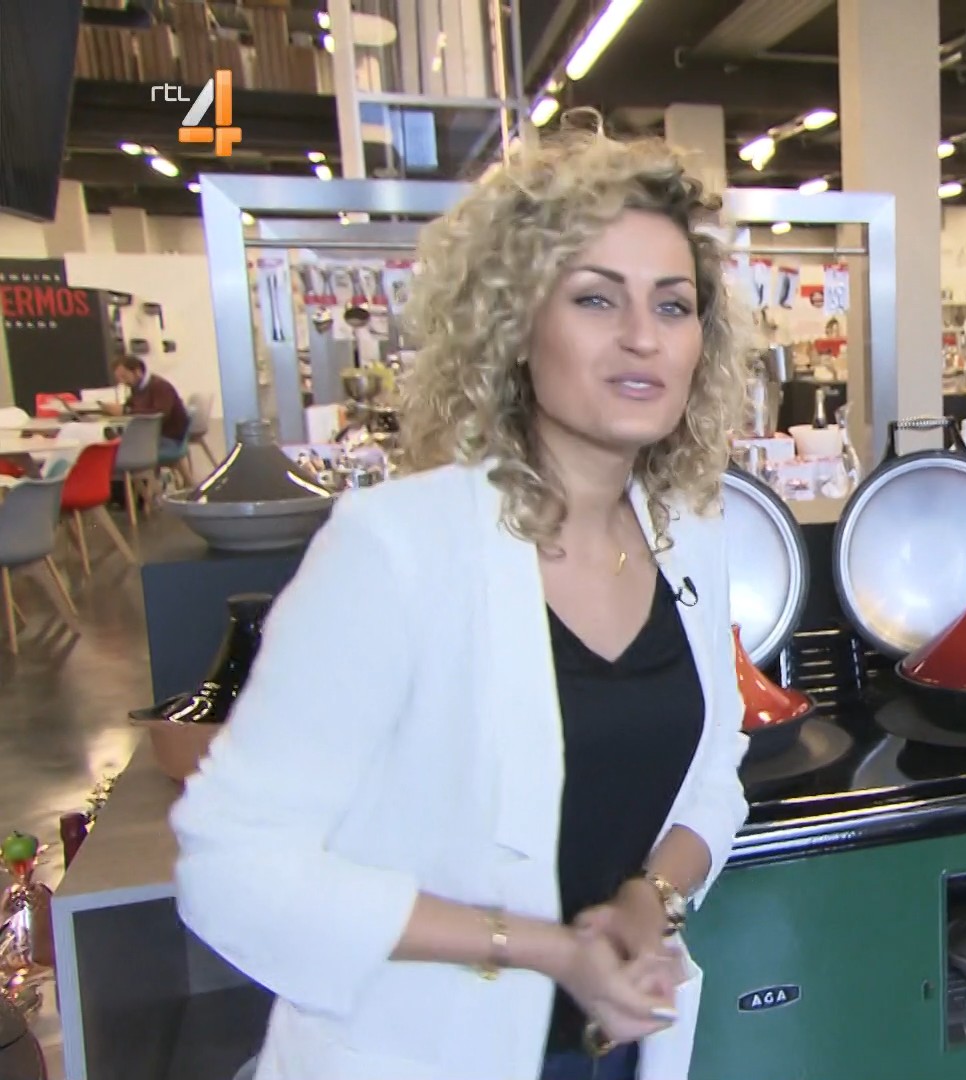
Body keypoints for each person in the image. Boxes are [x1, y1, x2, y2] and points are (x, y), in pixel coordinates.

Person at [170, 120, 752, 1080]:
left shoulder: (688, 534)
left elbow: (714, 770)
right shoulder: (397, 548)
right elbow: (229, 866)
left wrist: (652, 896)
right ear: (515, 323)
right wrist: (540, 946)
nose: (643, 337)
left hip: (616, 1050)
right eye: (595, 297)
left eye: (673, 304)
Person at [107, 354, 191, 452]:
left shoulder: (160, 386)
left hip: (168, 438)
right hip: (152, 436)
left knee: (118, 451)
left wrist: (126, 411)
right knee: (114, 443)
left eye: (124, 377)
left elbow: (159, 414)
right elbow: (131, 406)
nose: (122, 382)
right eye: (119, 378)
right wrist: (115, 409)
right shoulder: (136, 387)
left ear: (137, 372)